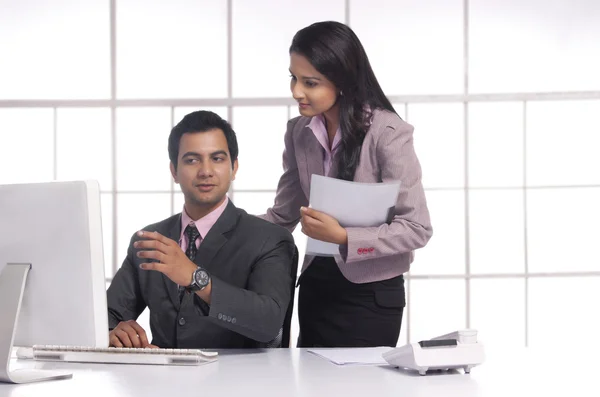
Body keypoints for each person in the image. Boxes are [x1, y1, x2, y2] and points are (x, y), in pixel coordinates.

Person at [260, 21, 433, 348]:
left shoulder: (387, 133)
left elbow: (416, 228)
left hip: (371, 295)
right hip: (316, 288)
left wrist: (343, 237)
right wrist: (224, 229)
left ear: (341, 81)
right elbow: (282, 216)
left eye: (310, 82)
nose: (297, 91)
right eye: (293, 78)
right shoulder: (299, 132)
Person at [107, 110, 295, 349]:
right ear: (174, 171)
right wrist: (114, 332)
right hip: (161, 381)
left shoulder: (270, 239)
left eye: (217, 159)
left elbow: (269, 323)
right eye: (192, 160)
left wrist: (195, 278)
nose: (206, 171)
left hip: (241, 383)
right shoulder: (149, 241)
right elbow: (107, 315)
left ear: (234, 167)